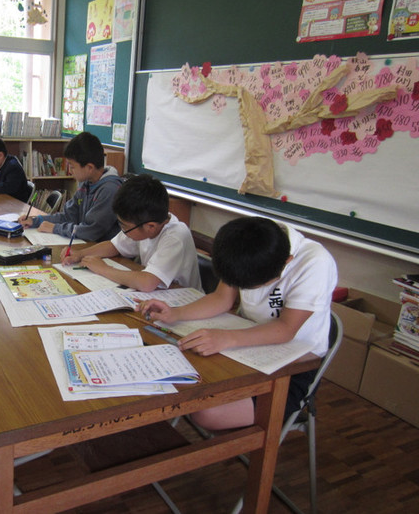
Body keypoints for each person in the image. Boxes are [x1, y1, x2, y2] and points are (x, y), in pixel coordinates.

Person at [137, 216, 337, 430]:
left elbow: (286, 329)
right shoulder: (246, 243)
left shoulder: (314, 262)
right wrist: (176, 313)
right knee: (176, 377)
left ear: (287, 262)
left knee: (207, 412)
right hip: (245, 347)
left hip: (293, 365)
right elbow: (222, 298)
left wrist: (227, 338)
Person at [61, 174, 202, 292]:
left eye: (124, 226)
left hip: (184, 301)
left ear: (150, 227)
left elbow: (147, 283)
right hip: (159, 295)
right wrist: (80, 254)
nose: (122, 230)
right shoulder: (145, 222)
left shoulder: (175, 236)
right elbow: (114, 246)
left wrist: (103, 269)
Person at [18, 131, 122, 242]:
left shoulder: (110, 190)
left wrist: (55, 228)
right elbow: (68, 216)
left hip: (101, 247)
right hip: (85, 243)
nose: (70, 171)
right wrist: (36, 221)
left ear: (89, 168)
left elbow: (91, 231)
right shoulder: (86, 183)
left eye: (72, 167)